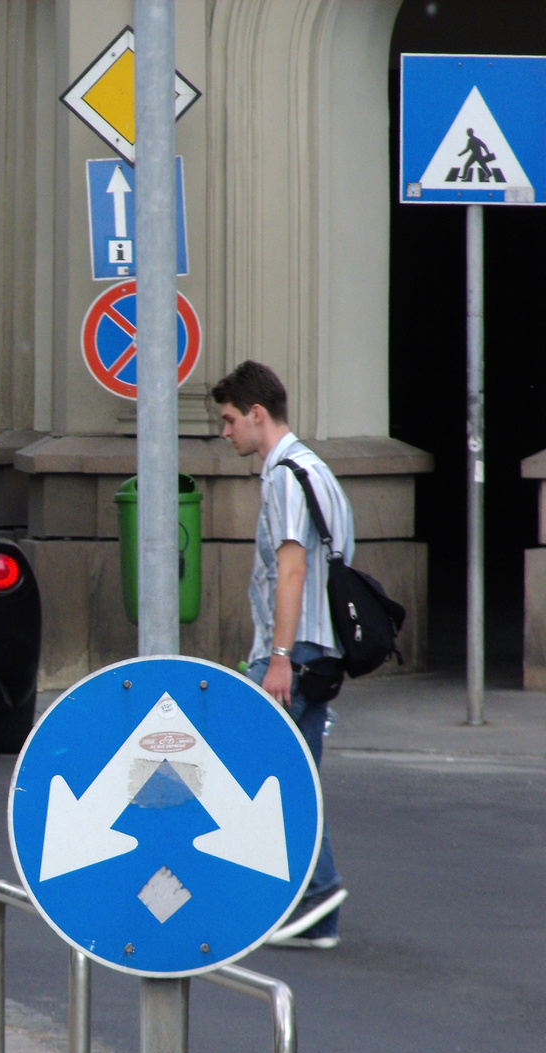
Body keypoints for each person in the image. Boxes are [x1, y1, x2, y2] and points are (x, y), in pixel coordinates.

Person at [214, 360, 351, 949]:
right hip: (319, 651)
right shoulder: (318, 471)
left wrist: (278, 656)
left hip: (293, 653)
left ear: (257, 415)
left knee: (258, 770)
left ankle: (313, 891)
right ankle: (317, 916)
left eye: (228, 420)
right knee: (291, 774)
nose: (225, 433)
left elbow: (292, 569)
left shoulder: (286, 476)